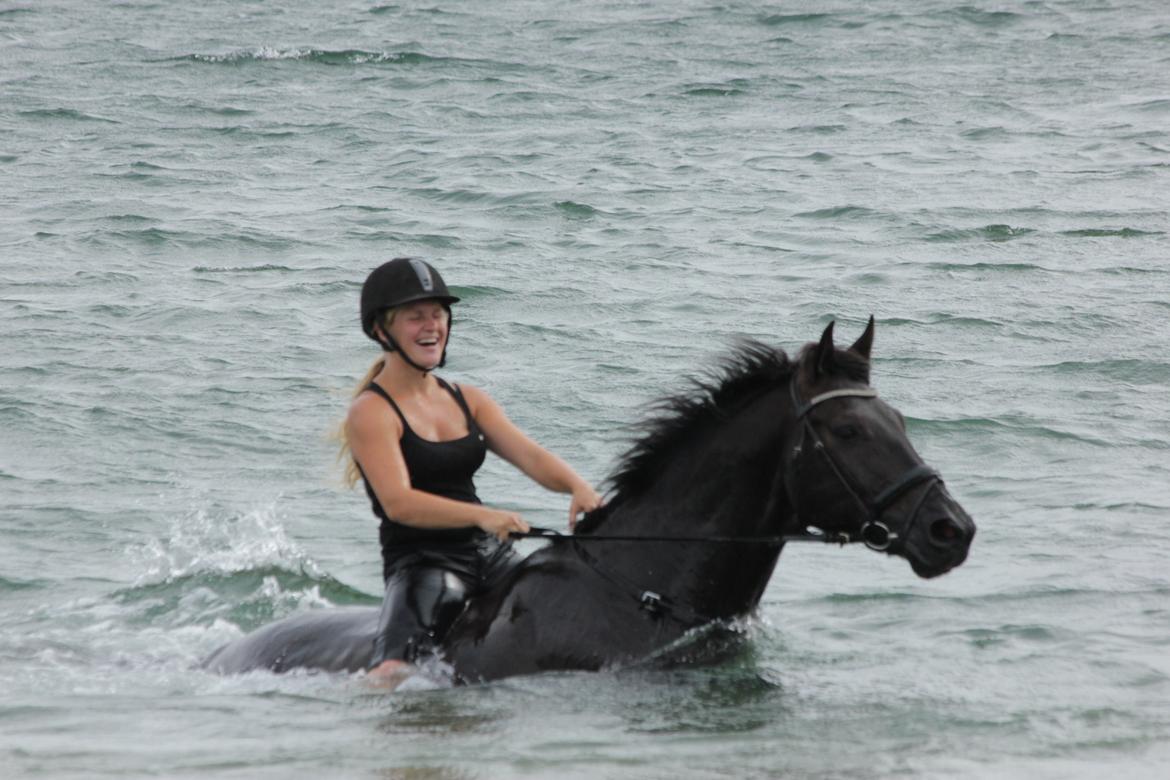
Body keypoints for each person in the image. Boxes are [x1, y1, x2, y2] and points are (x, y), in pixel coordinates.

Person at [339, 257, 603, 684]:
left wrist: (578, 487)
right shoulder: (370, 412)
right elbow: (399, 503)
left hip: (488, 555)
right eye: (415, 317)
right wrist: (483, 515)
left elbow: (531, 457)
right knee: (393, 670)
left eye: (438, 314)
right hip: (425, 563)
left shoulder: (468, 399)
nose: (432, 326)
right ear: (380, 330)